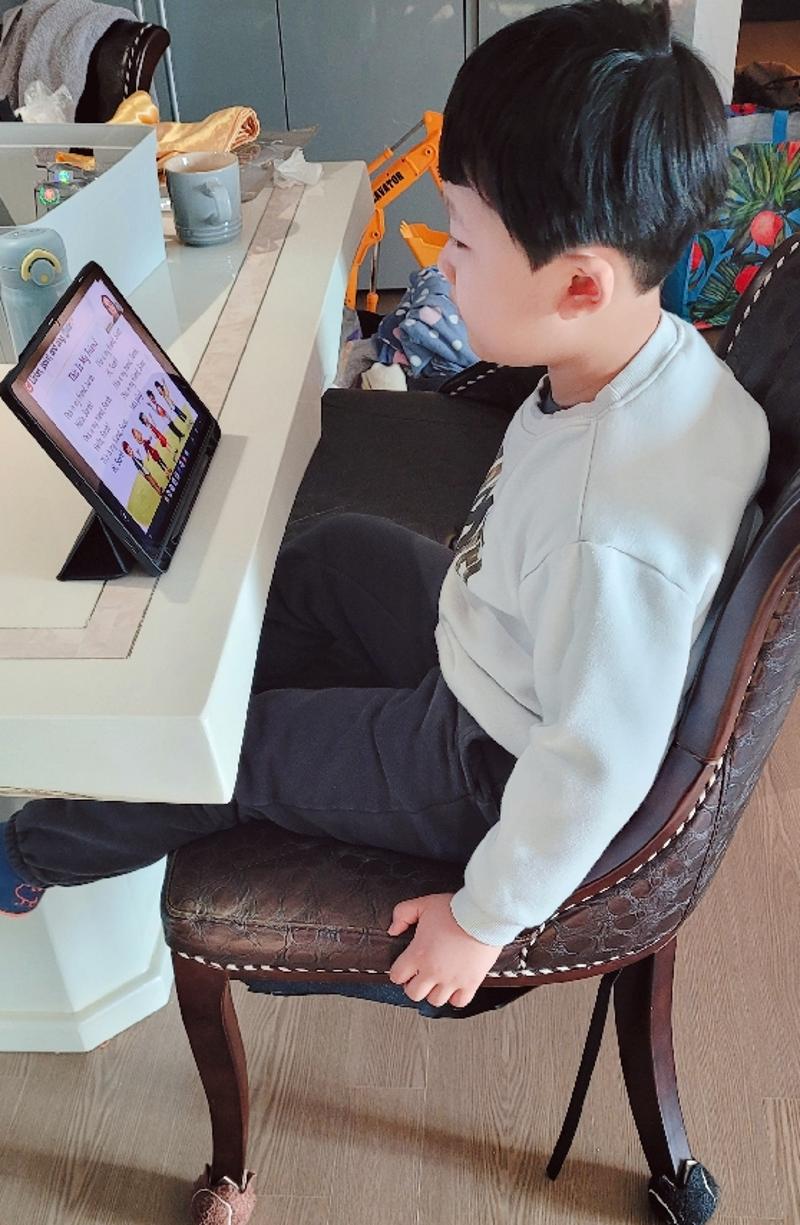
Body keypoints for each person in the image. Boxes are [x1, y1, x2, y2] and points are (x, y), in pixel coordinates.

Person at [0, 1, 769, 1015]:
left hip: (487, 763)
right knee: (340, 552)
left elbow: (591, 768)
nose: (440, 263)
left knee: (246, 755)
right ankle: (203, 704)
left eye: (463, 242)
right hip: (495, 643)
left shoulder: (609, 535)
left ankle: (29, 853)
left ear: (580, 287)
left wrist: (483, 919)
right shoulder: (661, 361)